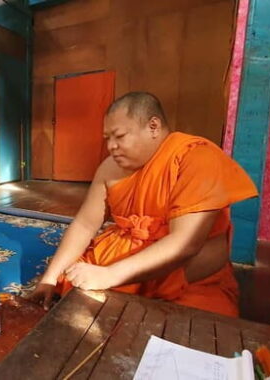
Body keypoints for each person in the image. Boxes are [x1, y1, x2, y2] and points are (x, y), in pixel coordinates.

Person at [28, 92, 257, 317]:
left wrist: (110, 275)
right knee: (72, 291)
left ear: (153, 127)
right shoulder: (109, 168)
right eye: (107, 138)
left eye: (119, 136)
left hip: (186, 279)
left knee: (198, 333)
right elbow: (85, 225)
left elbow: (184, 243)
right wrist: (50, 277)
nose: (111, 146)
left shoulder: (198, 158)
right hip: (120, 264)